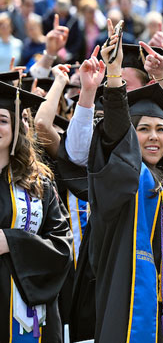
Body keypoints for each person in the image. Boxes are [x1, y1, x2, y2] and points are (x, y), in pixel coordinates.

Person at [87, 39, 163, 342]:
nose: (154, 137)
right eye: (144, 129)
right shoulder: (126, 178)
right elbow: (114, 134)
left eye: (160, 129)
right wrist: (114, 74)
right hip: (128, 300)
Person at [0, 80, 72, 341]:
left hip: (29, 315)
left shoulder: (38, 182)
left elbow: (63, 246)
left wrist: (13, 241)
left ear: (17, 125)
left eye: (2, 120)